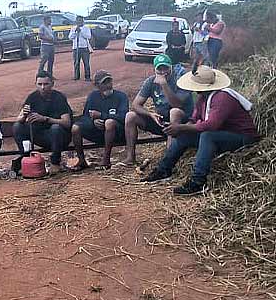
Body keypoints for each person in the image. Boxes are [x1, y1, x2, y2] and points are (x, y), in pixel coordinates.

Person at [142, 66, 258, 195]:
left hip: (242, 136)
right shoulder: (203, 98)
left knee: (207, 136)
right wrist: (179, 129)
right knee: (184, 136)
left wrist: (181, 127)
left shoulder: (222, 98)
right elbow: (195, 119)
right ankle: (163, 169)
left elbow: (211, 125)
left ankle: (197, 181)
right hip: (222, 133)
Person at [124, 54, 193, 166]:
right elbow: (136, 105)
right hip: (161, 121)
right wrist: (150, 114)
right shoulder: (150, 81)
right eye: (159, 69)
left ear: (171, 67)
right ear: (154, 69)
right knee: (130, 116)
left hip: (181, 123)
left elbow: (177, 104)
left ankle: (168, 160)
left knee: (174, 112)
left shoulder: (180, 80)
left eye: (165, 68)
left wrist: (164, 85)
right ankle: (130, 158)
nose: (162, 71)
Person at [11, 71, 72, 175]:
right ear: (36, 84)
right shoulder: (32, 97)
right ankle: (26, 159)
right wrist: (24, 115)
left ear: (52, 84)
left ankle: (55, 163)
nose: (43, 87)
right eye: (40, 84)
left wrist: (45, 119)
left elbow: (67, 123)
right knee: (17, 127)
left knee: (55, 128)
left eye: (46, 84)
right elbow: (19, 119)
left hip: (59, 136)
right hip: (39, 135)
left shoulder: (59, 98)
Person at [71, 70, 129, 170]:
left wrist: (102, 116)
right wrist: (93, 122)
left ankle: (106, 160)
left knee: (109, 123)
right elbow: (85, 117)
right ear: (97, 85)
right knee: (75, 128)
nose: (108, 85)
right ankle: (81, 160)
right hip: (97, 132)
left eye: (109, 81)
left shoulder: (121, 96)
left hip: (117, 133)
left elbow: (123, 116)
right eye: (104, 83)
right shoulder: (93, 96)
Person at [68, 15, 92, 81]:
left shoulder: (86, 28)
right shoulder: (73, 28)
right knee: (76, 63)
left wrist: (81, 31)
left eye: (81, 20)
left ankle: (87, 77)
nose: (79, 22)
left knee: (86, 63)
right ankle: (76, 76)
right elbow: (70, 37)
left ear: (83, 21)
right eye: (78, 20)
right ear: (76, 21)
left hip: (84, 47)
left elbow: (88, 36)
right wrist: (75, 32)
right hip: (76, 48)